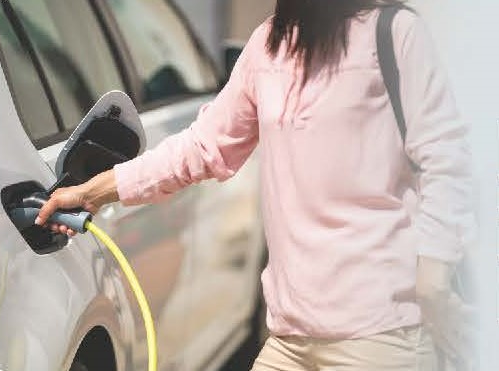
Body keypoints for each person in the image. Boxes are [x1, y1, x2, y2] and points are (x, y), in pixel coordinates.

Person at [36, 0, 476, 369]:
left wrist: (432, 274)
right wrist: (91, 192)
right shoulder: (270, 45)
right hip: (290, 337)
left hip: (380, 335)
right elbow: (201, 147)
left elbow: (447, 158)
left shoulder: (395, 34)